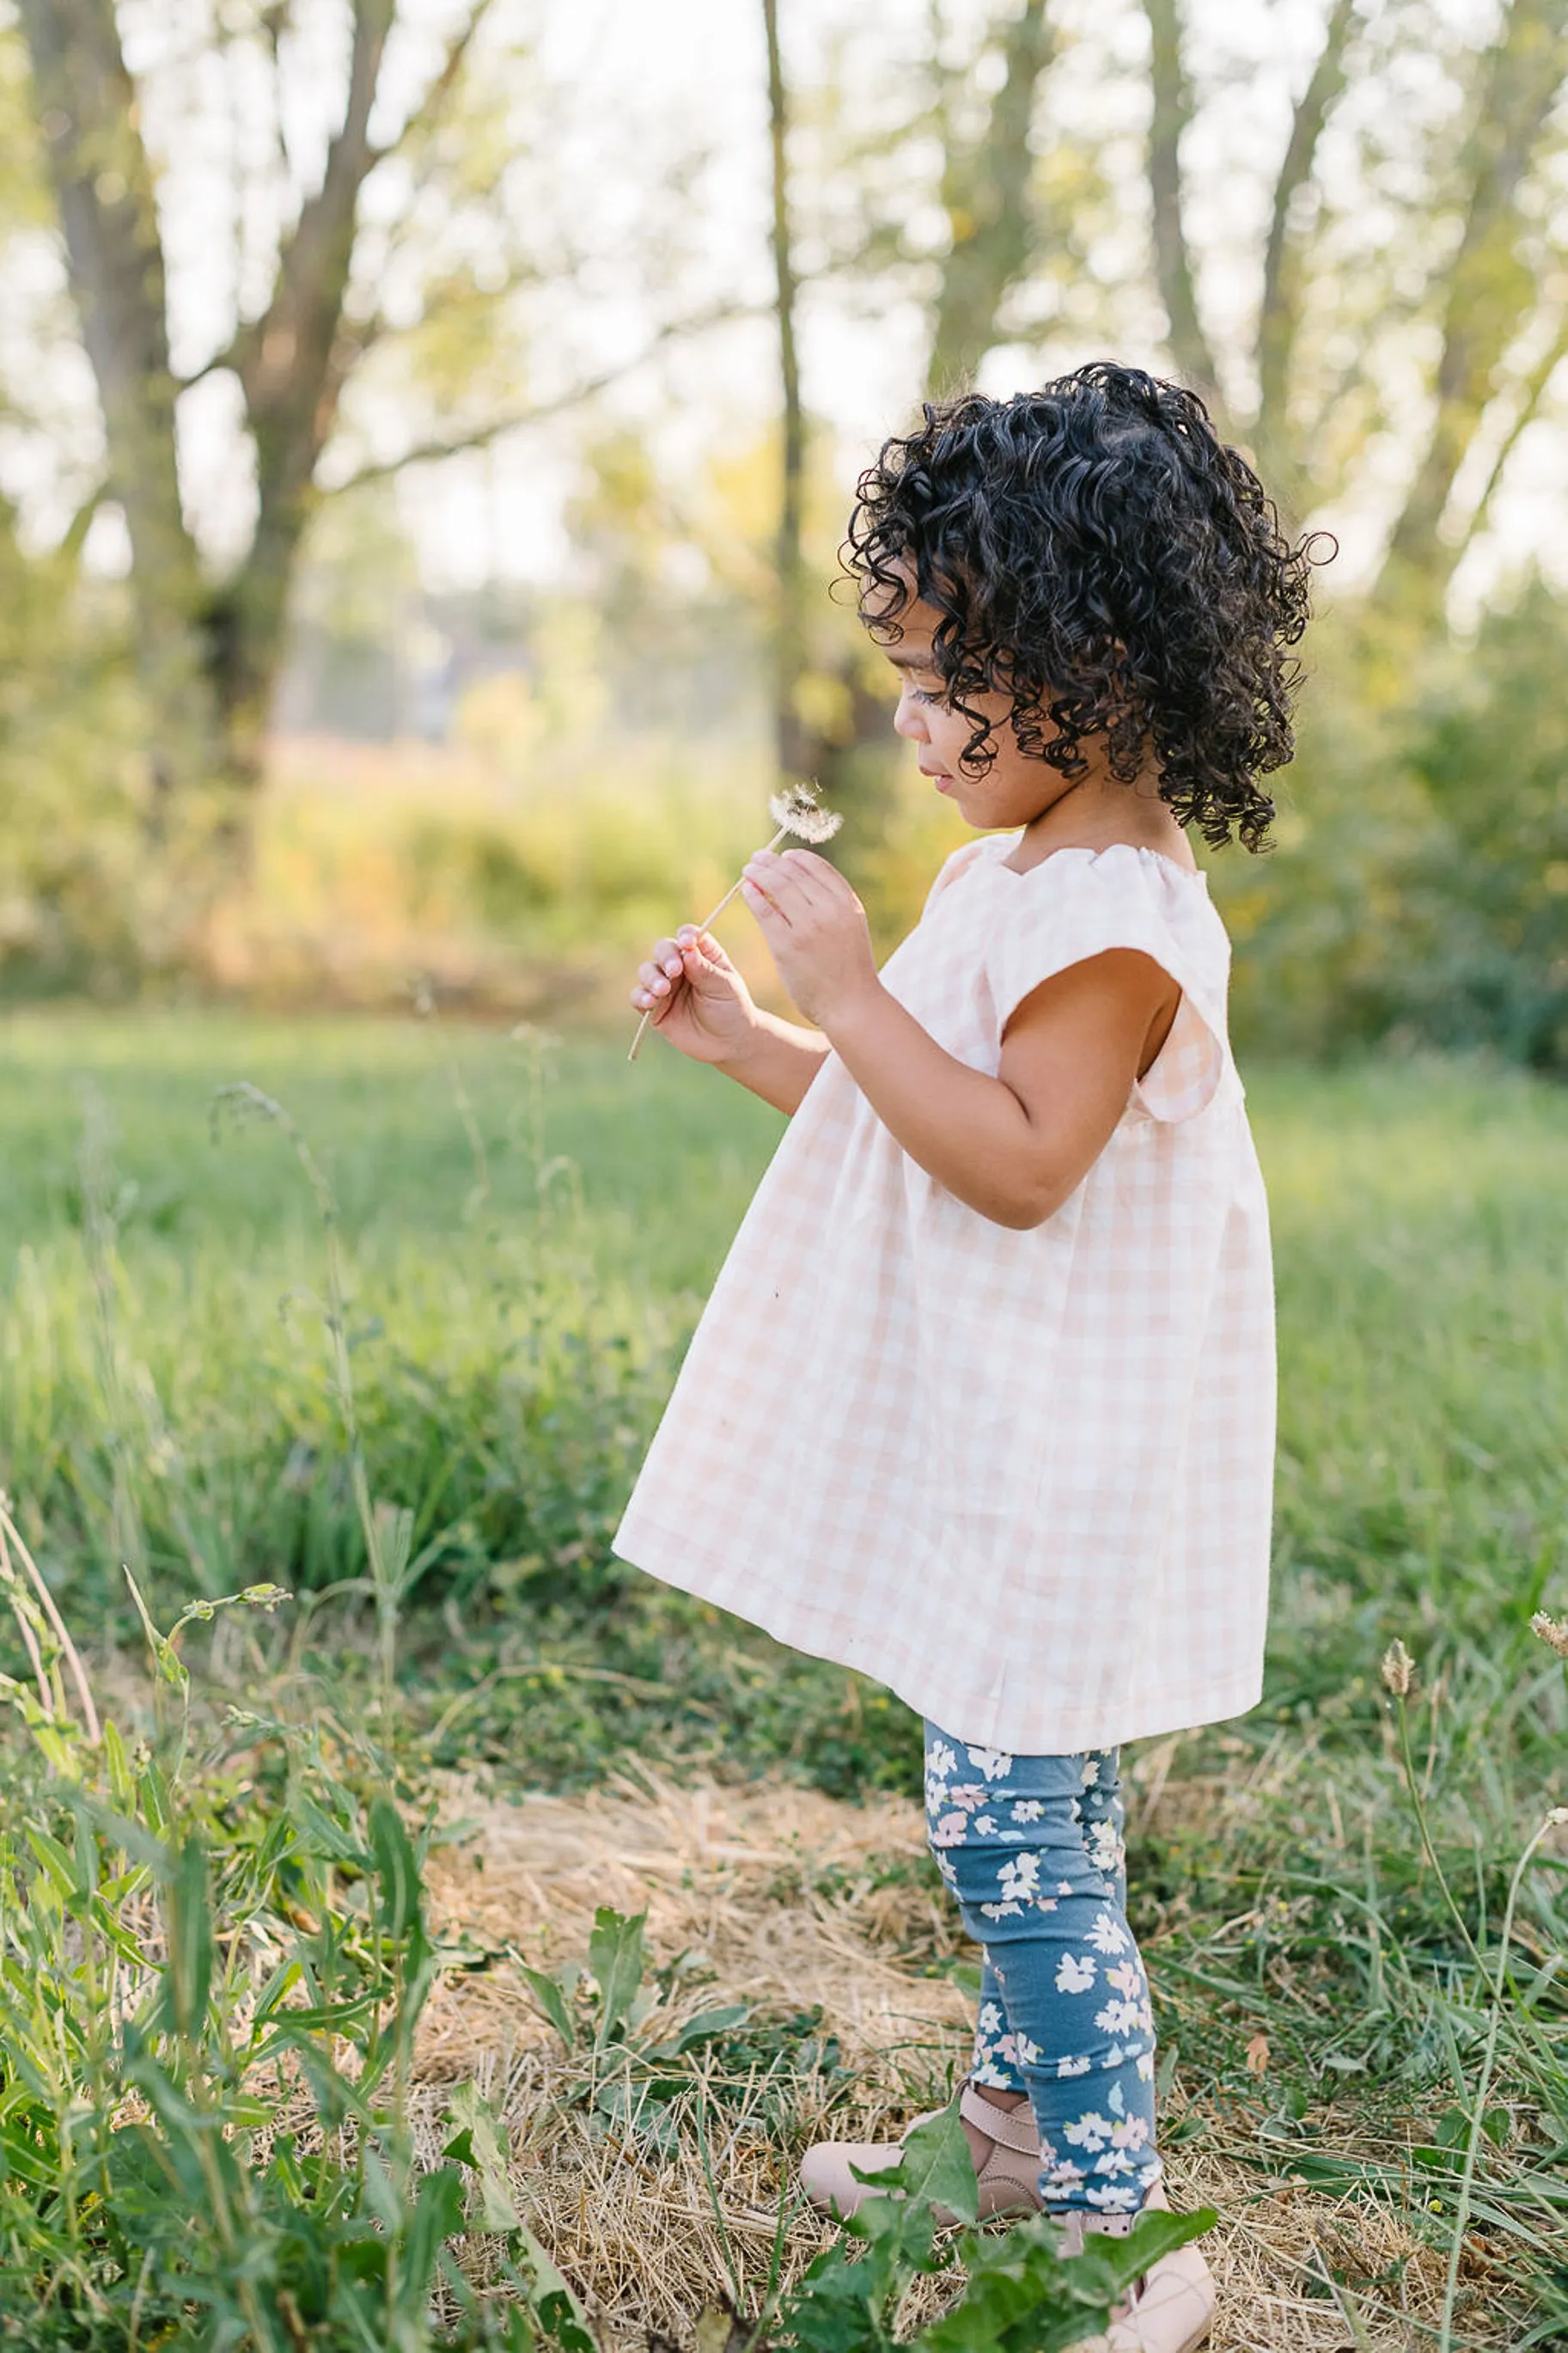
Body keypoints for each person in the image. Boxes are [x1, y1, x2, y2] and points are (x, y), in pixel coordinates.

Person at [616, 362, 1317, 2353]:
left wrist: (842, 978)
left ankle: (1117, 2223)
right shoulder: (1008, 873)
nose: (911, 727)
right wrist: (766, 1034)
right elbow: (908, 1102)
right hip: (998, 1428)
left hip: (1066, 1450)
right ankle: (1015, 2127)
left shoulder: (1122, 922)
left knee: (1013, 1819)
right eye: (910, 676)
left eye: (947, 683)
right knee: (1037, 1800)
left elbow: (1017, 1161)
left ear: (1098, 671)